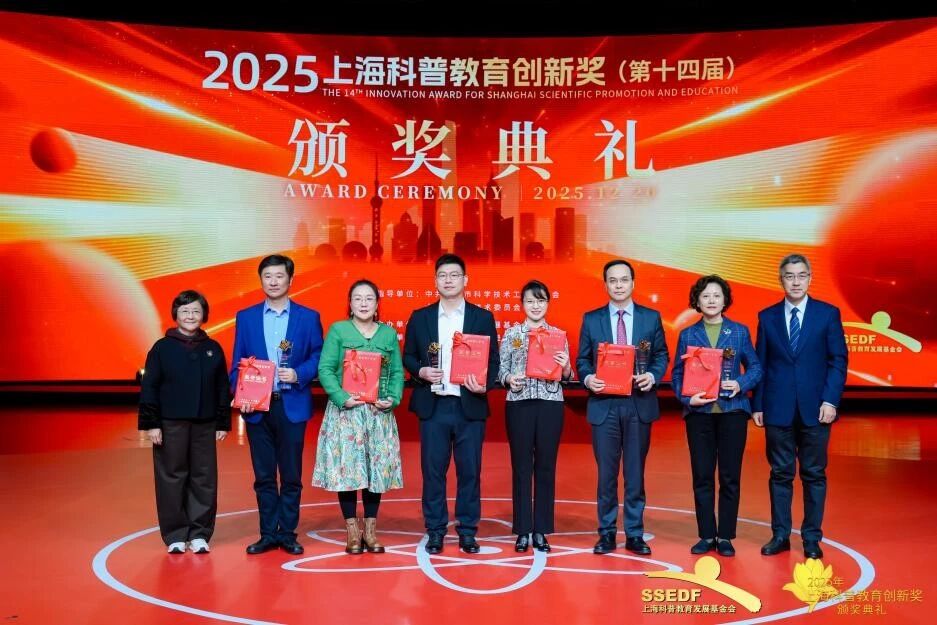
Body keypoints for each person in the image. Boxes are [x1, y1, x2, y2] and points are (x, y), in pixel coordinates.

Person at [402, 254, 499, 554]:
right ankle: (435, 530)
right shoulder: (421, 317)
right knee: (433, 472)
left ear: (465, 280)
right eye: (442, 275)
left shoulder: (482, 318)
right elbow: (408, 356)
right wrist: (420, 371)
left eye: (454, 275)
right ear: (435, 281)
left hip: (470, 405)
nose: (448, 280)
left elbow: (494, 361)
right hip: (434, 406)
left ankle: (468, 531)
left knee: (470, 472)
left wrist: (484, 384)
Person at [753, 253, 847, 560]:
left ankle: (811, 538)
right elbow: (761, 364)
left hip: (816, 409)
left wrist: (830, 400)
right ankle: (780, 535)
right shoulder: (767, 317)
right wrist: (757, 404)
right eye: (789, 276)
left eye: (801, 275)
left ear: (810, 278)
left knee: (814, 474)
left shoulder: (827, 314)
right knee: (780, 474)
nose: (796, 282)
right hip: (777, 408)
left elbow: (838, 361)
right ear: (781, 280)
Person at [230, 254, 323, 556]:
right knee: (264, 476)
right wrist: (241, 396)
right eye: (267, 276)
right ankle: (268, 533)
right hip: (257, 409)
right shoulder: (246, 317)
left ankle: (288, 534)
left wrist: (299, 374)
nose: (273, 282)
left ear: (290, 280)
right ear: (261, 280)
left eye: (279, 276)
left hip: (291, 404)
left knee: (291, 476)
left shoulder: (308, 317)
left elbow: (318, 356)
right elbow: (237, 363)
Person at [576, 259, 669, 556]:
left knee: (634, 474)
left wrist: (652, 375)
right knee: (606, 475)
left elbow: (661, 355)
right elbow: (582, 360)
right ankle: (606, 533)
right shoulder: (592, 319)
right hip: (604, 404)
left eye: (624, 280)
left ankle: (634, 533)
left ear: (633, 283)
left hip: (638, 404)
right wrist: (588, 378)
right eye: (613, 280)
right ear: (605, 284)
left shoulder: (650, 318)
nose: (618, 285)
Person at [670, 275, 762, 557]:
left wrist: (740, 384)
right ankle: (706, 534)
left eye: (716, 295)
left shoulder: (739, 331)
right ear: (697, 301)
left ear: (725, 300)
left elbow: (756, 367)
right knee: (702, 475)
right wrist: (687, 398)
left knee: (730, 476)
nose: (711, 300)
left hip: (732, 412)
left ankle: (725, 536)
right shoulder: (688, 334)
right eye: (705, 296)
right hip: (699, 413)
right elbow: (677, 374)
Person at [312, 279, 404, 554]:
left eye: (369, 299)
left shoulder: (387, 334)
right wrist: (341, 397)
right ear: (350, 304)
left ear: (377, 304)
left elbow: (396, 373)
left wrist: (392, 399)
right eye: (358, 298)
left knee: (376, 471)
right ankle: (352, 532)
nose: (363, 303)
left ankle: (371, 531)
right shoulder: (338, 330)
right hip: (347, 413)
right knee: (348, 472)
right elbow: (325, 369)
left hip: (378, 414)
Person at [138, 290, 231, 554]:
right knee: (171, 477)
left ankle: (200, 533)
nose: (190, 316)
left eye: (196, 311)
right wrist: (152, 423)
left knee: (204, 477)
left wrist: (222, 422)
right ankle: (175, 534)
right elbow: (149, 386)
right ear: (175, 315)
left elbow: (222, 388)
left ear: (204, 315)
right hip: (170, 424)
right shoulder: (162, 348)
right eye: (185, 311)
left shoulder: (213, 348)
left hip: (205, 423)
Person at [498, 280, 572, 553]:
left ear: (548, 303)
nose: (536, 306)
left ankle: (541, 530)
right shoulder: (512, 334)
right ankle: (522, 529)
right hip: (519, 403)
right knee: (521, 467)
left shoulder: (558, 335)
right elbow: (501, 370)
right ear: (522, 304)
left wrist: (565, 366)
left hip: (551, 403)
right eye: (530, 301)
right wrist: (509, 379)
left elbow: (568, 375)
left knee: (546, 466)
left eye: (540, 300)